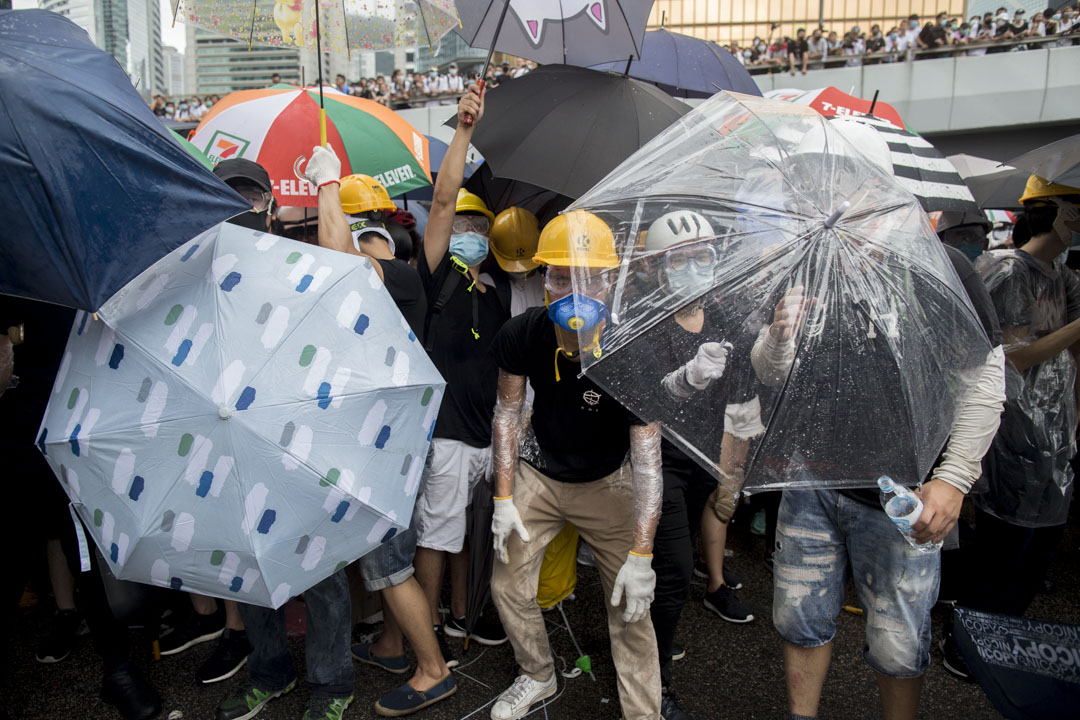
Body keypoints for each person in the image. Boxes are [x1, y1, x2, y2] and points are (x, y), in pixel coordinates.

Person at [771, 218, 1007, 720]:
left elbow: (984, 374)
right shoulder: (810, 260)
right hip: (810, 476)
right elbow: (771, 373)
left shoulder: (941, 266)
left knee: (897, 642)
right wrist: (777, 337)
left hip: (902, 489)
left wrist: (955, 477)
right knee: (798, 618)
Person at [297, 153, 458, 716]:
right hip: (375, 441)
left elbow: (339, 257)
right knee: (384, 561)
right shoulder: (374, 286)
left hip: (386, 448)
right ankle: (393, 648)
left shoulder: (403, 281)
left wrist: (325, 181)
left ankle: (434, 671)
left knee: (390, 568)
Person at [488, 210, 663, 720]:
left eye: (588, 277)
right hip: (540, 473)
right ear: (543, 277)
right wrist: (502, 500)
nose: (573, 291)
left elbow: (648, 463)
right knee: (507, 584)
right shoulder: (523, 333)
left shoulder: (633, 352)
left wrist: (641, 553)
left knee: (631, 606)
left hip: (610, 482)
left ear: (610, 281)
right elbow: (507, 414)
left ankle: (643, 713)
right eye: (560, 276)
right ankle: (537, 673)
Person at [212, 161, 355, 720]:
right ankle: (269, 671)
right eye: (230, 200)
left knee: (320, 567)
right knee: (249, 566)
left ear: (270, 205)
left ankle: (331, 683)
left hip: (303, 437)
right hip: (233, 441)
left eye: (250, 199)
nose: (242, 211)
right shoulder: (205, 270)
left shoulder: (303, 261)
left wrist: (327, 187)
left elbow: (345, 279)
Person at [942, 177, 1080, 680]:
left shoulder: (1063, 277)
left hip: (1057, 430)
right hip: (1013, 426)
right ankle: (967, 644)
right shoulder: (1005, 269)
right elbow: (1013, 357)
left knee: (1039, 546)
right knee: (1004, 544)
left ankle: (1004, 642)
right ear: (1053, 211)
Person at [639, 210, 766, 720]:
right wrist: (685, 379)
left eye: (703, 256)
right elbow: (644, 397)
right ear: (658, 266)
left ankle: (647, 641)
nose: (694, 265)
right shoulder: (643, 321)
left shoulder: (725, 317)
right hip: (656, 461)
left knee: (673, 558)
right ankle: (656, 684)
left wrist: (730, 466)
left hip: (701, 463)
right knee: (670, 571)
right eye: (681, 258)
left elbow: (745, 389)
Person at [416, 85, 510, 655]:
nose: (469, 235)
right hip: (447, 438)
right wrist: (465, 130)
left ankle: (460, 616)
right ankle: (424, 630)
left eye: (480, 229)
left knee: (473, 539)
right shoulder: (436, 278)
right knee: (436, 535)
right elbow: (445, 199)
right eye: (462, 228)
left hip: (487, 438)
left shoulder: (500, 292)